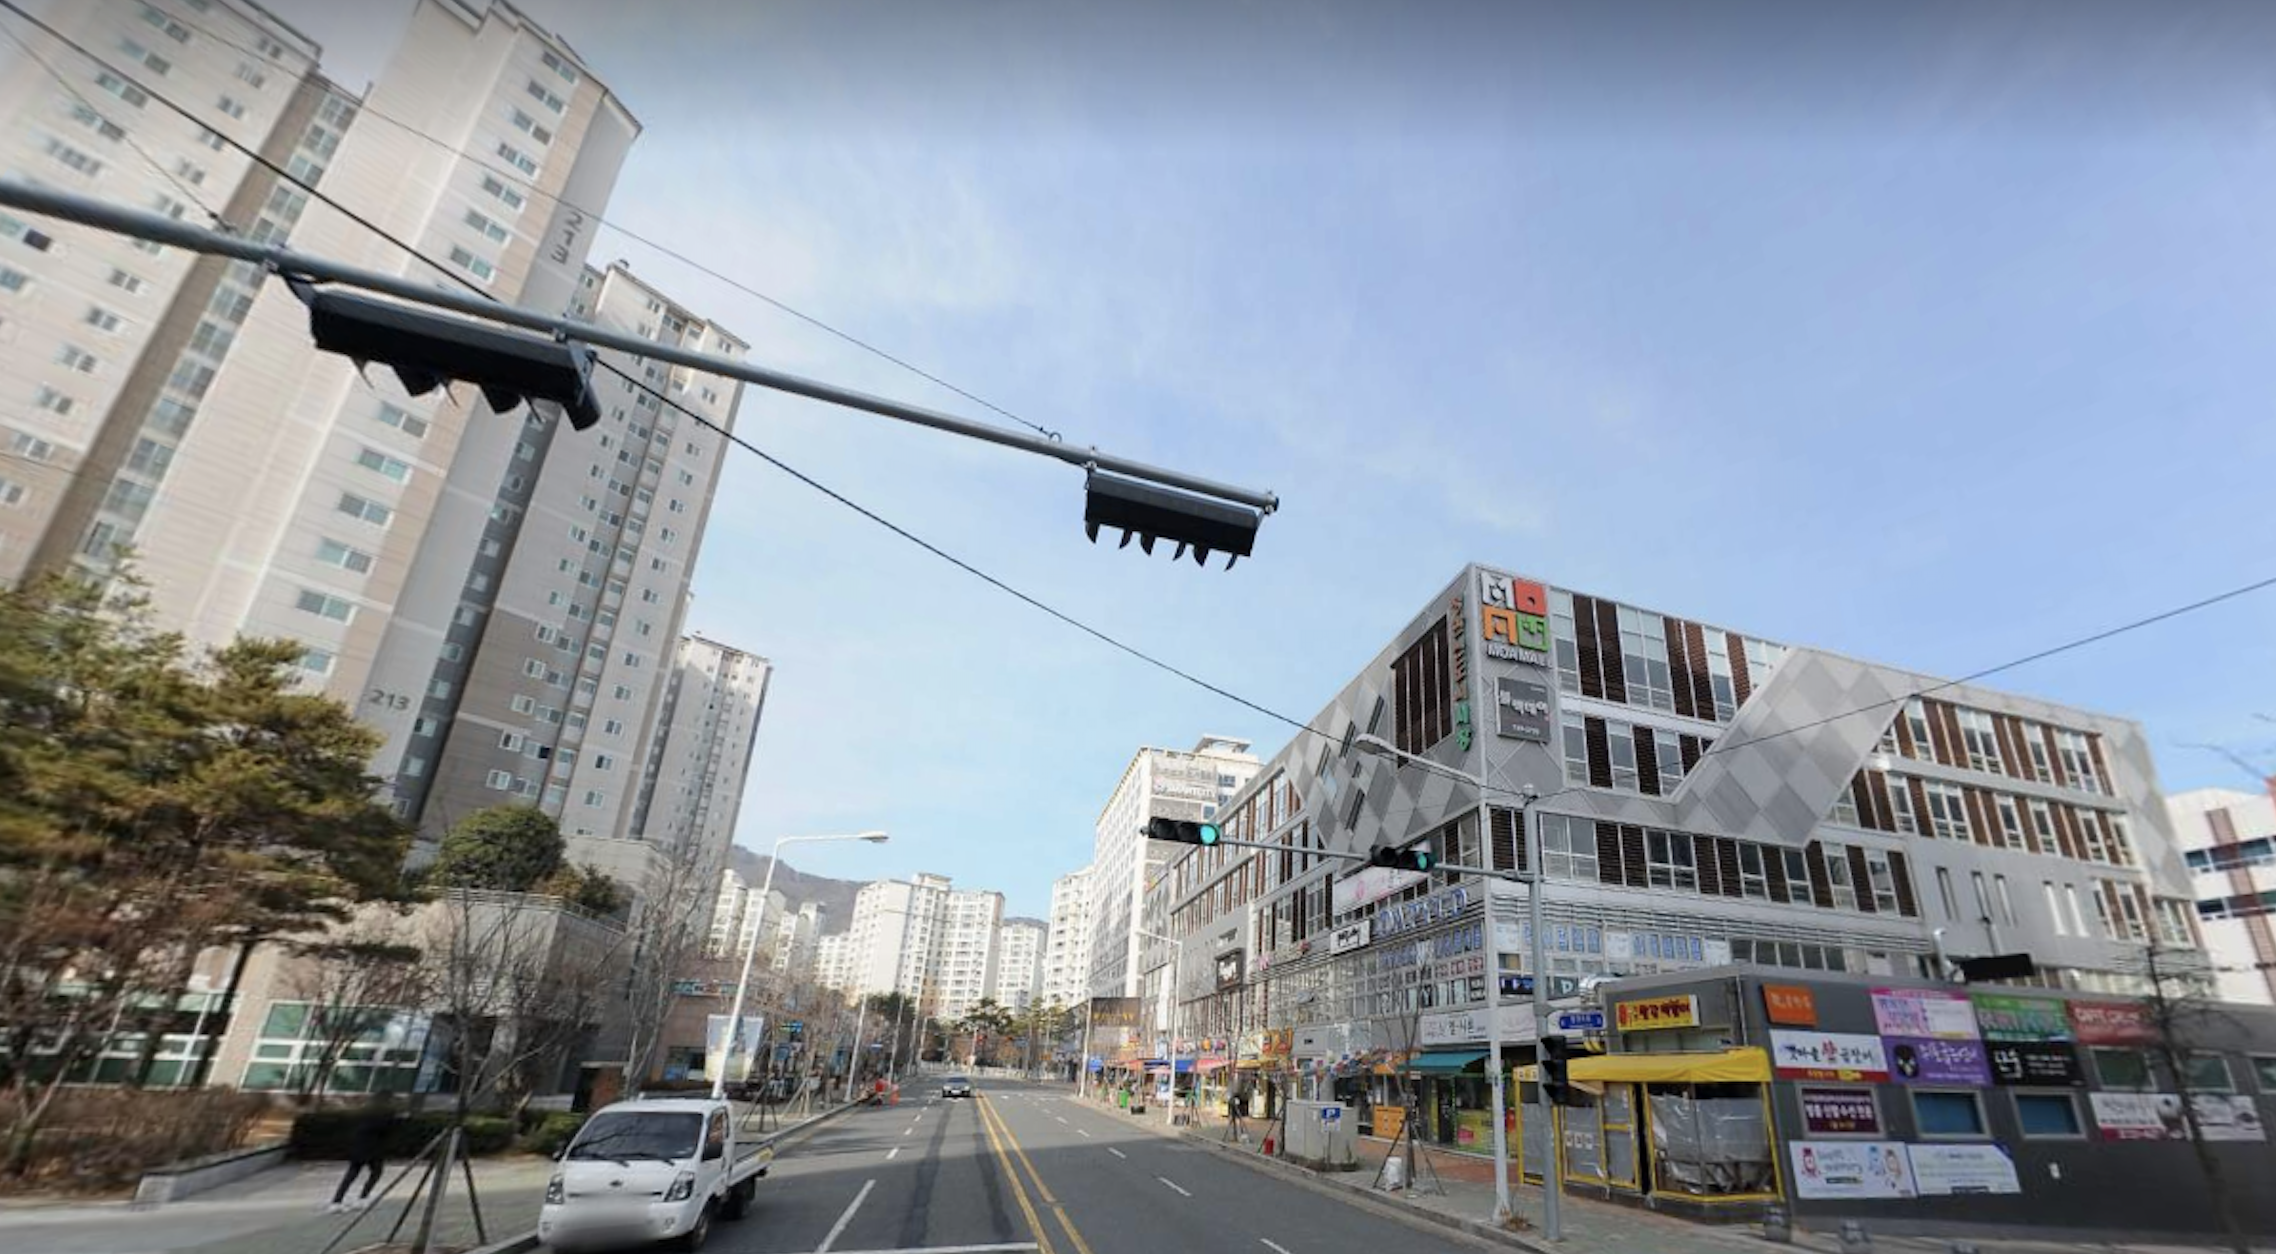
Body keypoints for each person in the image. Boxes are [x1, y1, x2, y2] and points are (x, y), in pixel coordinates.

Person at [327, 1097, 397, 1213]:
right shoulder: (387, 1113)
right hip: (374, 1148)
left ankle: (336, 1201)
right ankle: (362, 1198)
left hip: (359, 1146)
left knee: (351, 1174)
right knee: (376, 1172)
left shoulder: (365, 1110)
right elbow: (388, 1130)